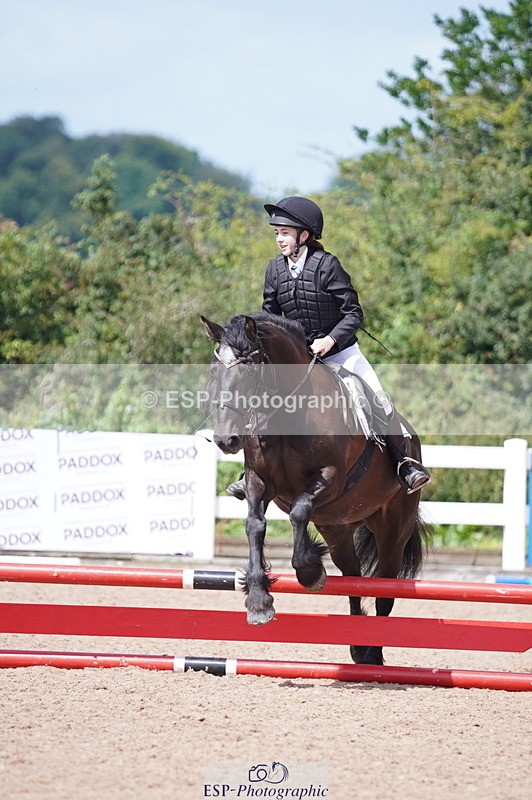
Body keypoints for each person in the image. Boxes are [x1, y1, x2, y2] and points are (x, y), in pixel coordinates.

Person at [227, 196, 430, 498]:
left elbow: (354, 314)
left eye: (285, 233)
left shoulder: (327, 266)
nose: (279, 239)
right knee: (260, 400)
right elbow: (270, 320)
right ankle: (252, 472)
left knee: (378, 400)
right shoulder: (274, 270)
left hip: (341, 352)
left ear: (304, 235)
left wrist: (331, 340)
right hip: (298, 360)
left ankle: (405, 464)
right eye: (277, 233)